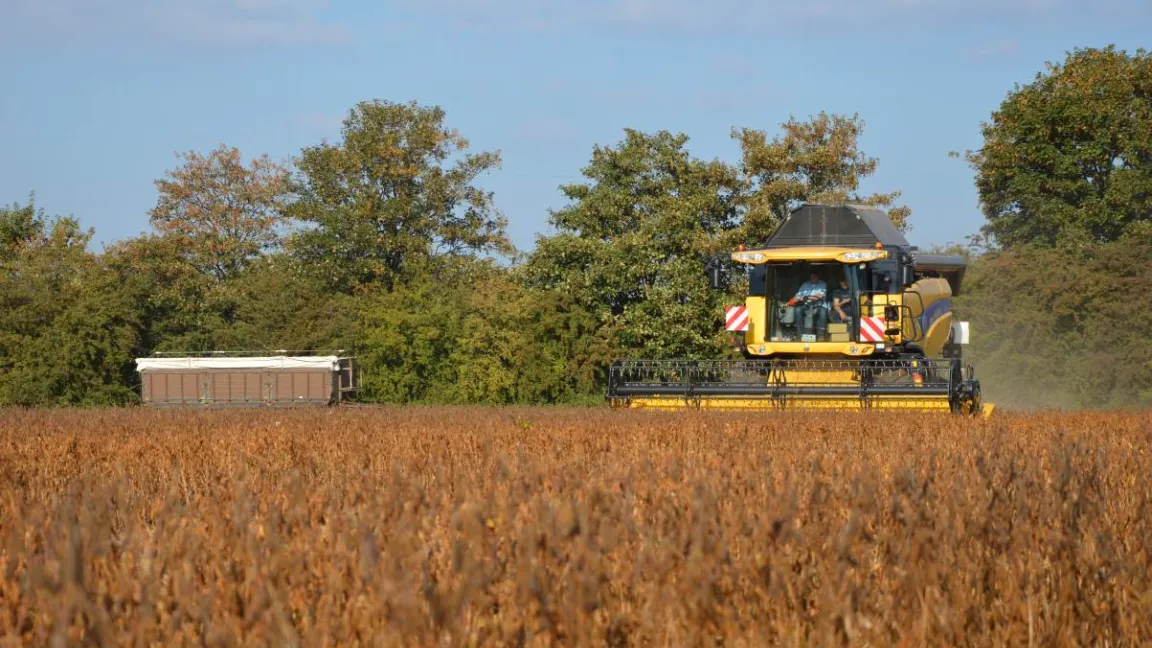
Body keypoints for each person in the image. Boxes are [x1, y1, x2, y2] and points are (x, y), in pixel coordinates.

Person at [788, 271, 828, 337]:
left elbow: (819, 297)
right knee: (798, 310)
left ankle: (821, 335)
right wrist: (805, 298)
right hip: (806, 305)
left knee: (823, 312)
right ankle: (800, 334)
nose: (813, 277)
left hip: (819, 305)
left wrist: (804, 297)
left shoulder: (823, 284)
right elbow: (796, 297)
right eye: (812, 276)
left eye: (815, 275)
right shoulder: (805, 284)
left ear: (818, 276)